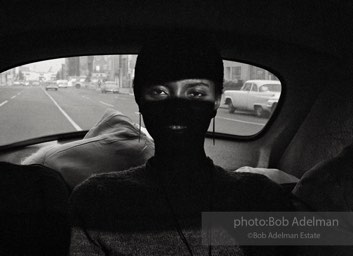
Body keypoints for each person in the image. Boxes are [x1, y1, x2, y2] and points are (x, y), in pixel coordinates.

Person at [69, 33, 295, 255]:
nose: (177, 109)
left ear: (216, 101)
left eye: (195, 93)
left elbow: (326, 238)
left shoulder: (258, 196)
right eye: (159, 92)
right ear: (139, 99)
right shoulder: (98, 201)